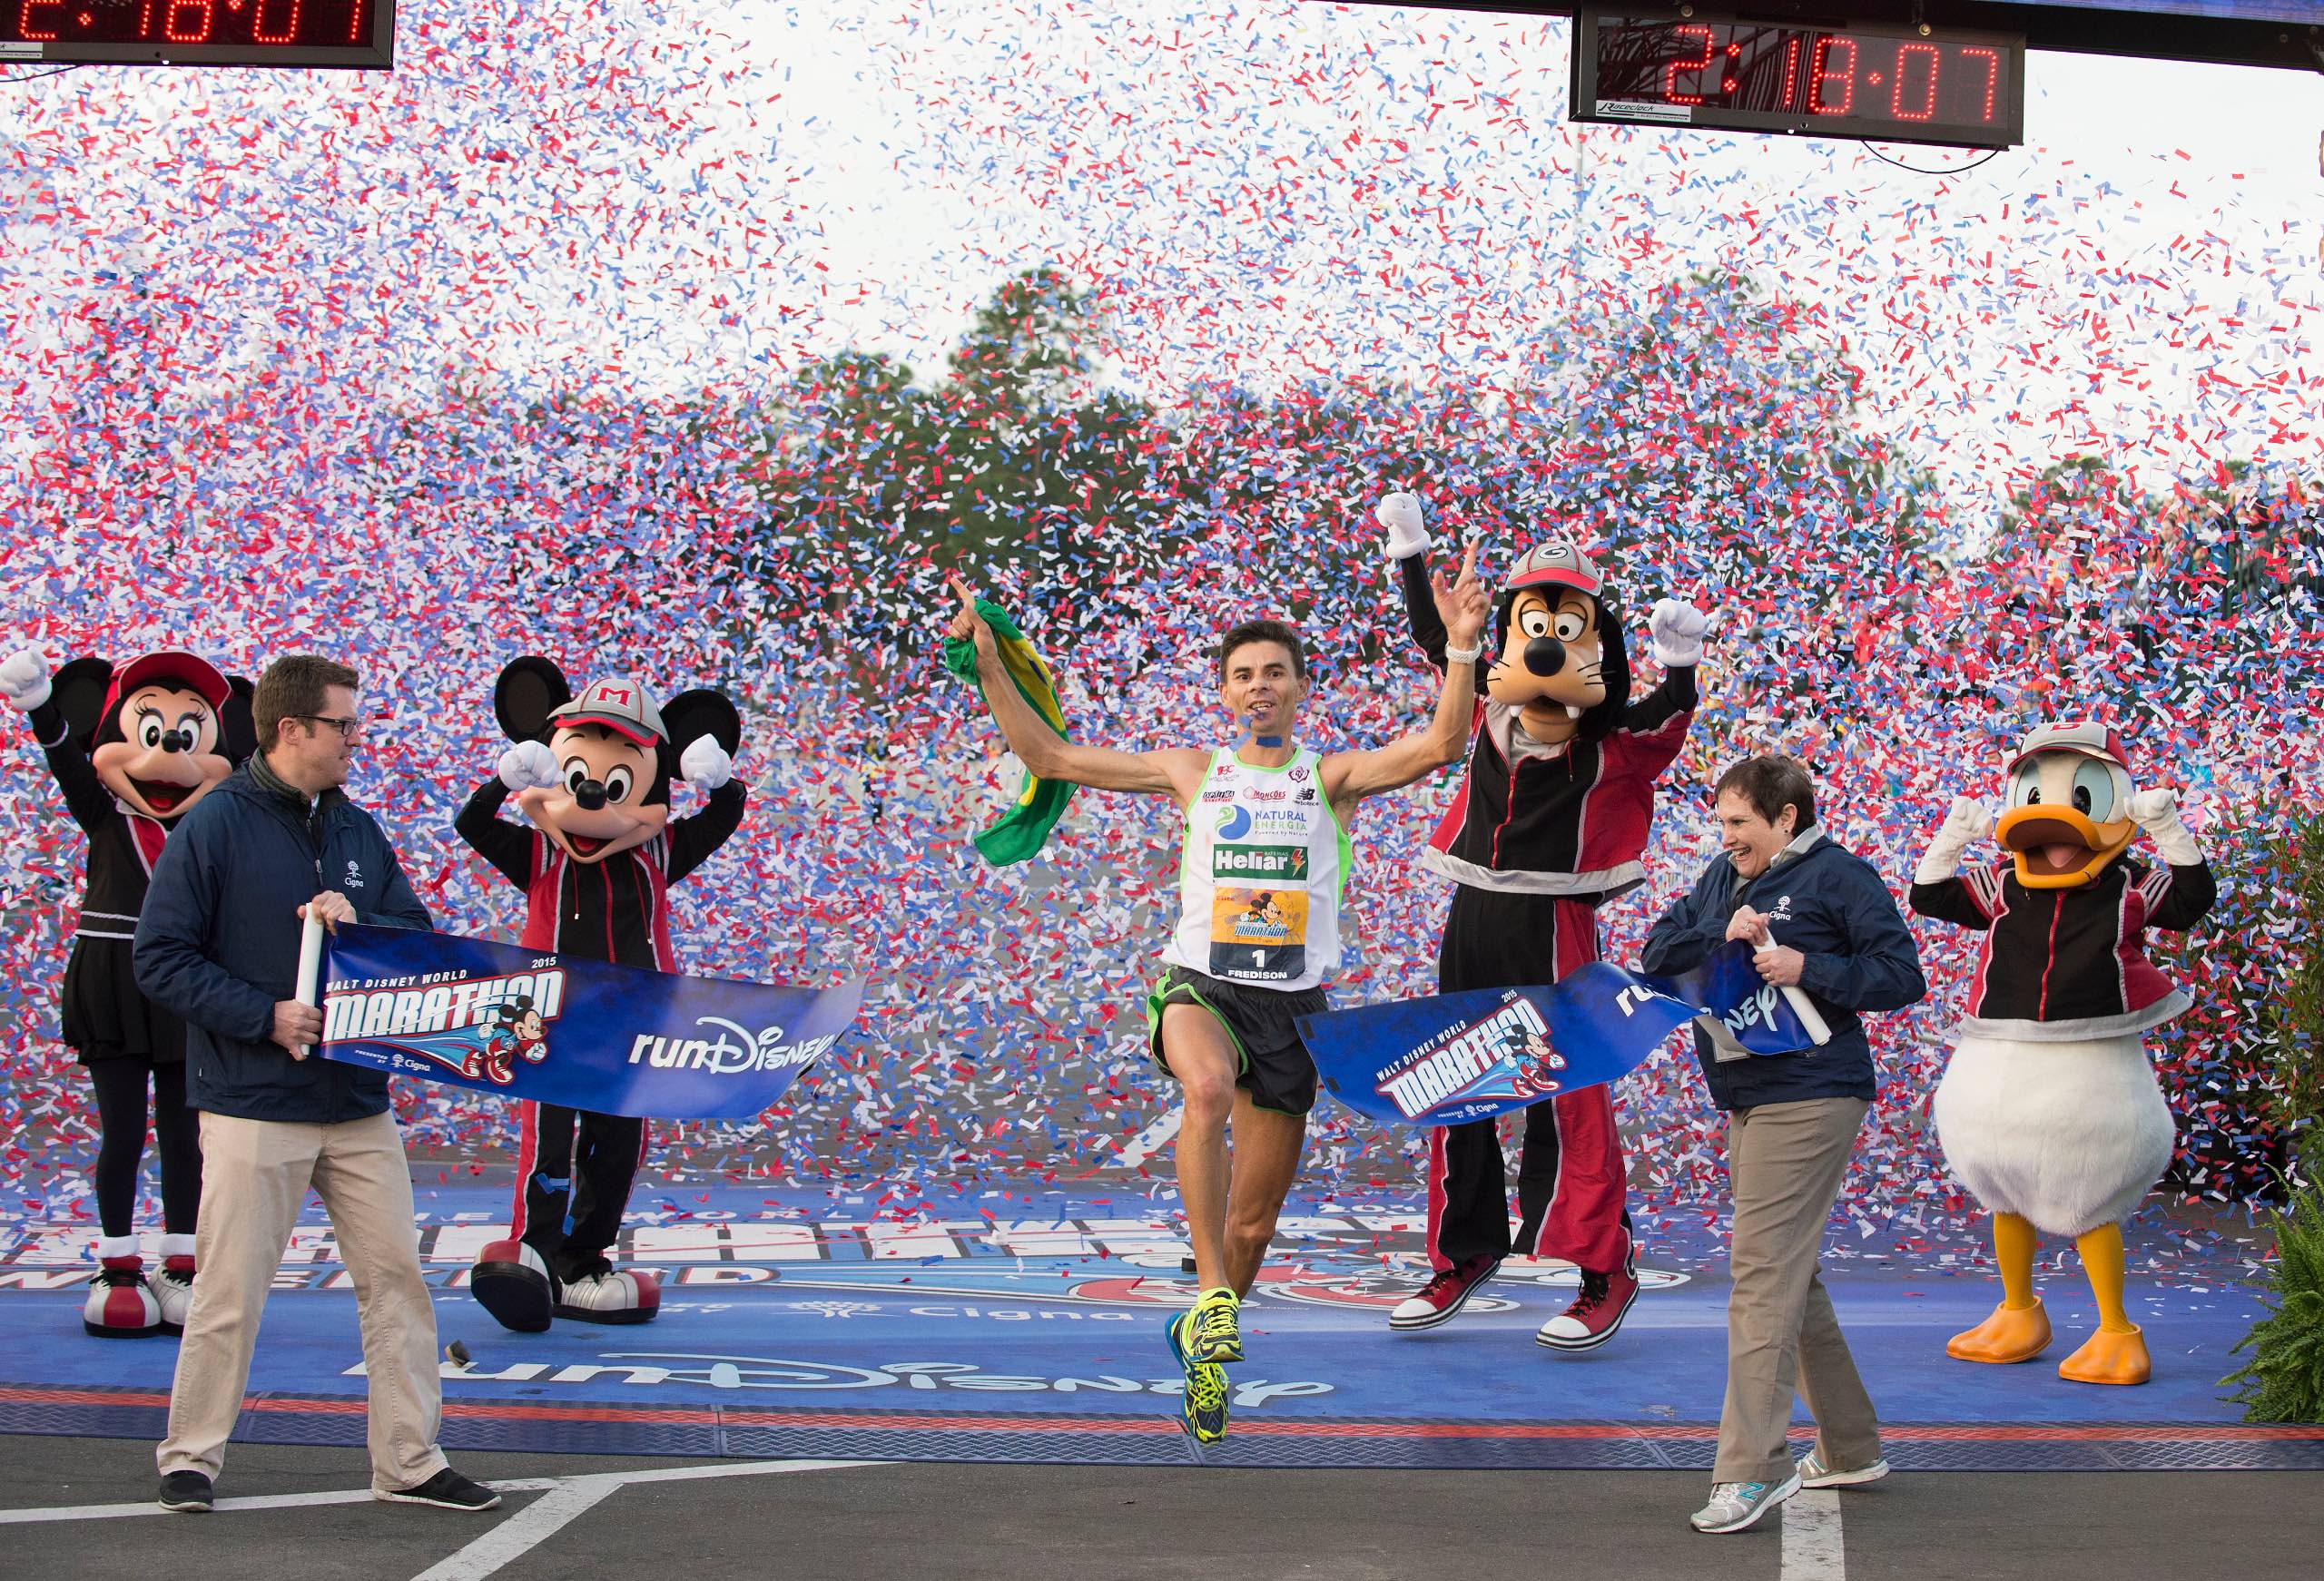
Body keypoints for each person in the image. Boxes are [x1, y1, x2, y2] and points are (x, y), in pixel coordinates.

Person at [945, 553, 1488, 1444]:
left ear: (1299, 689)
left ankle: (1206, 1337)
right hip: (1200, 987)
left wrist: (1461, 648)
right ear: (1224, 695)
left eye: (1274, 670)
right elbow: (1046, 753)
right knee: (1202, 1089)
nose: (1259, 684)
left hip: (1293, 1012)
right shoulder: (1190, 770)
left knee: (1253, 1223)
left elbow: (1438, 747)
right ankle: (1206, 1295)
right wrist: (993, 659)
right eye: (1243, 674)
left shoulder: (1331, 776)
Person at [133, 654, 498, 1516]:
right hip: (253, 1102)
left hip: (357, 1103)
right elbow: (160, 958)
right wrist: (264, 1015)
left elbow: (413, 933)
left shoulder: (356, 829)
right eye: (344, 726)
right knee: (229, 1287)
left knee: (396, 1283)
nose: (355, 741)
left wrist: (360, 922)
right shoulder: (214, 825)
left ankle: (409, 1461)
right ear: (292, 729)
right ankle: (190, 1458)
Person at [1374, 495, 1707, 1350]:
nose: (1547, 644)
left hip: (1555, 921)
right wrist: (1411, 551)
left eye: (1568, 627)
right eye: (1532, 624)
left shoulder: (1615, 741)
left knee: (1569, 1093)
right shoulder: (1488, 709)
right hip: (1473, 910)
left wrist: (1680, 666)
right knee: (1455, 1084)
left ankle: (1605, 1268)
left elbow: (1668, 725)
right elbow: (1438, 640)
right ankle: (1462, 1253)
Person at [1639, 754, 1925, 1535]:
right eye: (1721, 823)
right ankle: (1850, 1448)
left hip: (1814, 1092)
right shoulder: (1721, 879)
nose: (1726, 837)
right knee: (1791, 1274)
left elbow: (1902, 976)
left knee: (1761, 1274)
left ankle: (1749, 1471)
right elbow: (1656, 955)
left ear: (1787, 818)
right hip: (1746, 1097)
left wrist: (1809, 965)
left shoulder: (1840, 877)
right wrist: (1716, 930)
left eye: (1740, 823)